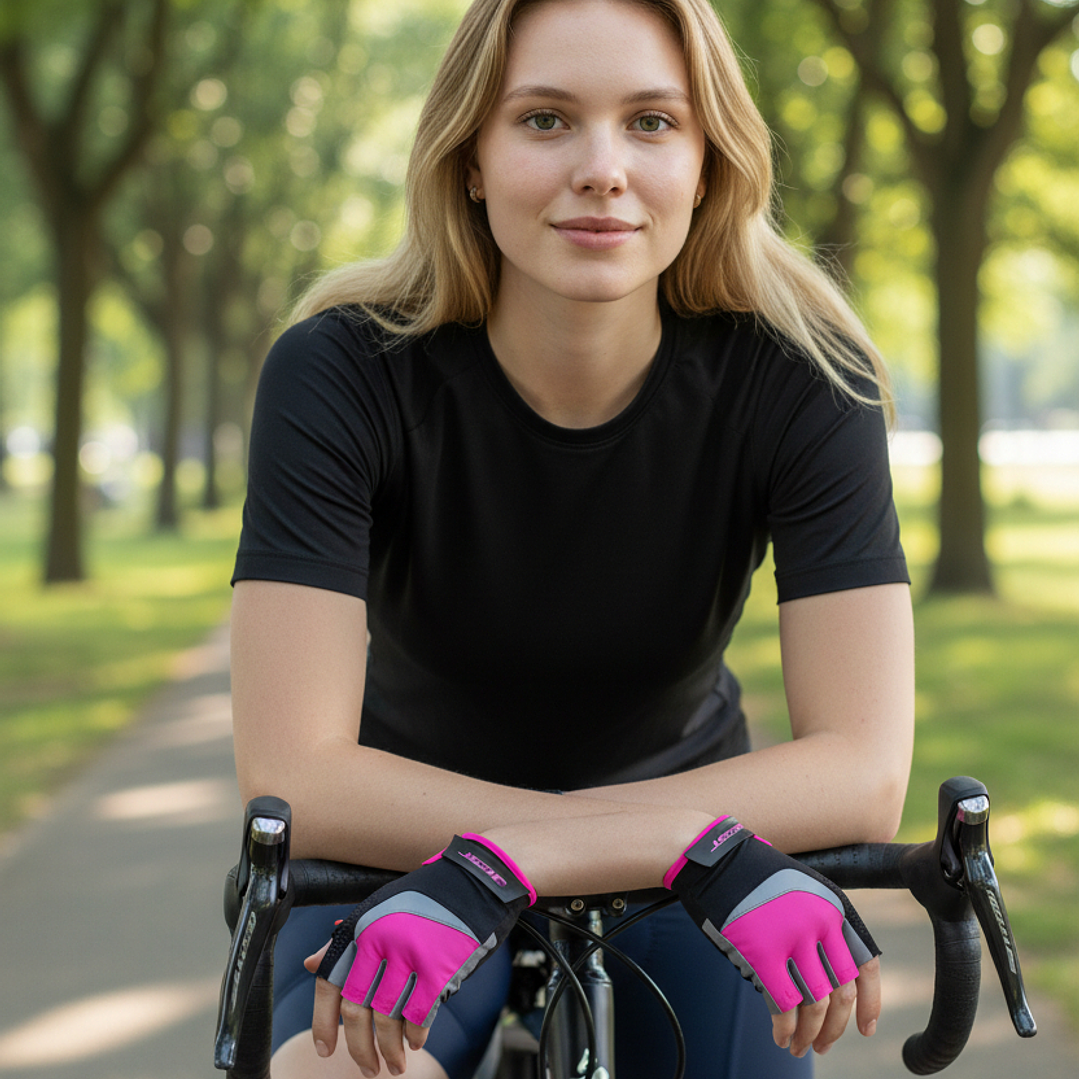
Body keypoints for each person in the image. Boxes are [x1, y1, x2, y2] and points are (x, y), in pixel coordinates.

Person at [229, 0, 915, 1076]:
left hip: (690, 845)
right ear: (467, 158)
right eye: (544, 120)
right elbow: (293, 771)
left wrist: (515, 858)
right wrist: (521, 854)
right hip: (394, 845)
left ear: (705, 163)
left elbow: (864, 769)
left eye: (650, 122)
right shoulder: (338, 371)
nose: (602, 168)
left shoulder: (804, 375)